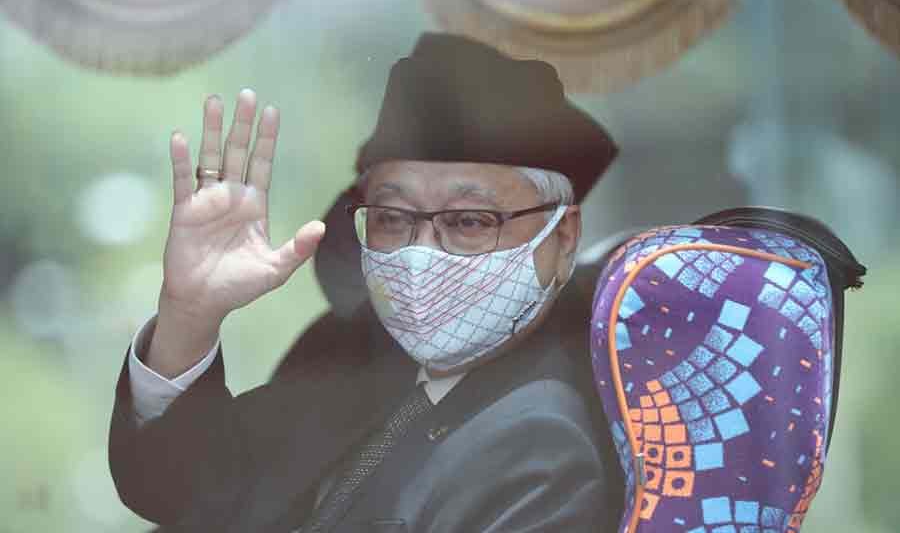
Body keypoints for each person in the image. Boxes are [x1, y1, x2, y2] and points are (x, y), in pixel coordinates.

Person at [108, 33, 622, 532]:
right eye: (393, 218)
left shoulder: (544, 445)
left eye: (470, 222)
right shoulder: (345, 350)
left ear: (564, 237)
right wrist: (190, 318)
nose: (421, 254)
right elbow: (181, 491)